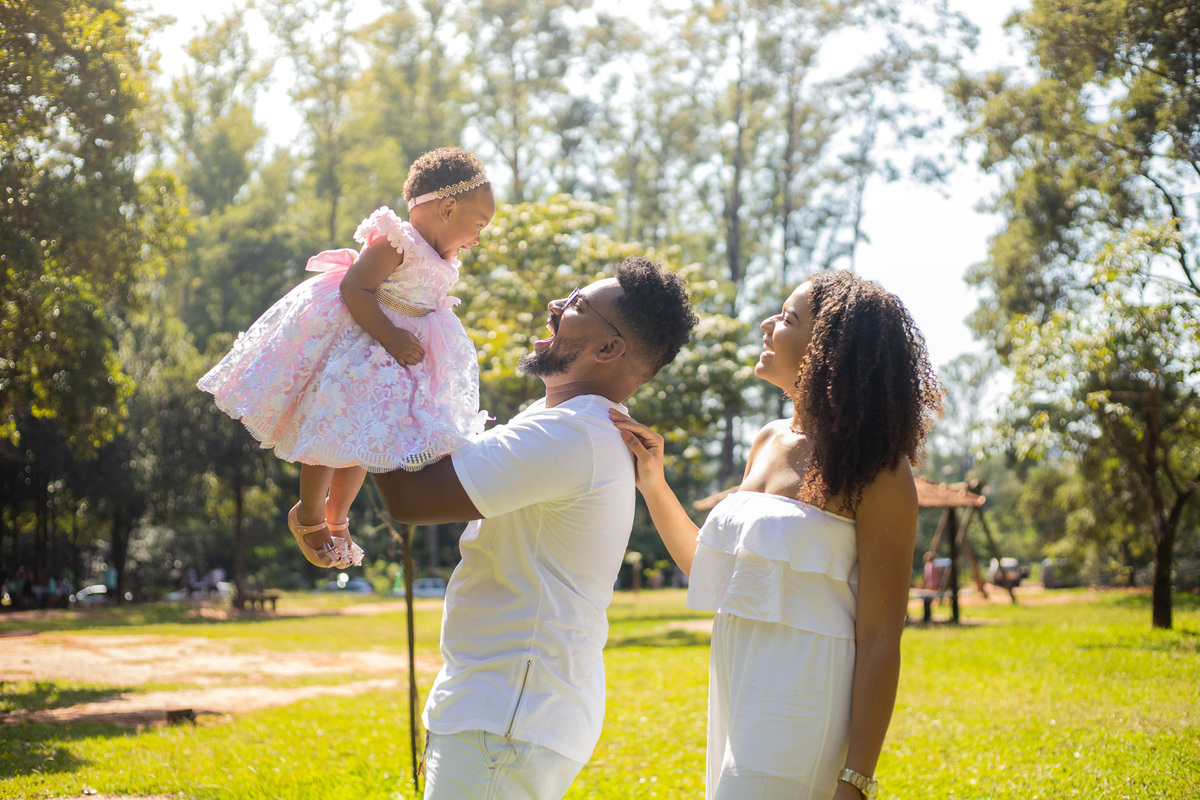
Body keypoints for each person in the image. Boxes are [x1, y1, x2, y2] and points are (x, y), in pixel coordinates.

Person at [371, 257, 698, 800]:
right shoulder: (562, 425)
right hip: (506, 708)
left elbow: (412, 497)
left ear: (609, 348)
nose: (555, 305)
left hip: (509, 713)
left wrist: (367, 374)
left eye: (577, 305)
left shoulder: (572, 434)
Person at [612, 270, 941, 800]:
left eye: (788, 318)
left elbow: (882, 636)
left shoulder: (878, 469)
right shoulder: (767, 440)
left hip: (804, 691)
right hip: (738, 680)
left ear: (829, 349)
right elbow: (711, 569)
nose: (767, 324)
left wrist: (856, 779)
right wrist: (653, 482)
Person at [198, 147, 495, 569]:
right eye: (479, 224)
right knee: (329, 429)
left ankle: (337, 517)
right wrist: (391, 335)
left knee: (361, 444)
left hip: (392, 367)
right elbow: (354, 287)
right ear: (447, 209)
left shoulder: (443, 260)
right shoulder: (399, 242)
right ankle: (308, 513)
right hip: (365, 349)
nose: (478, 238)